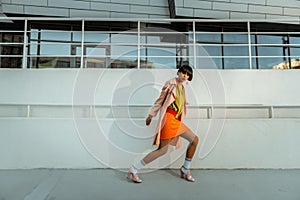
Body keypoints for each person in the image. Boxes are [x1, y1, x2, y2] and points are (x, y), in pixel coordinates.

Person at [127, 65, 199, 183]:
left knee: (194, 140)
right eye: (183, 73)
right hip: (169, 119)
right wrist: (150, 115)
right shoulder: (170, 84)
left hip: (175, 120)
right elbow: (160, 101)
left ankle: (186, 168)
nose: (184, 76)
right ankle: (134, 168)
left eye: (187, 75)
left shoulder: (182, 88)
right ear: (178, 73)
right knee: (162, 150)